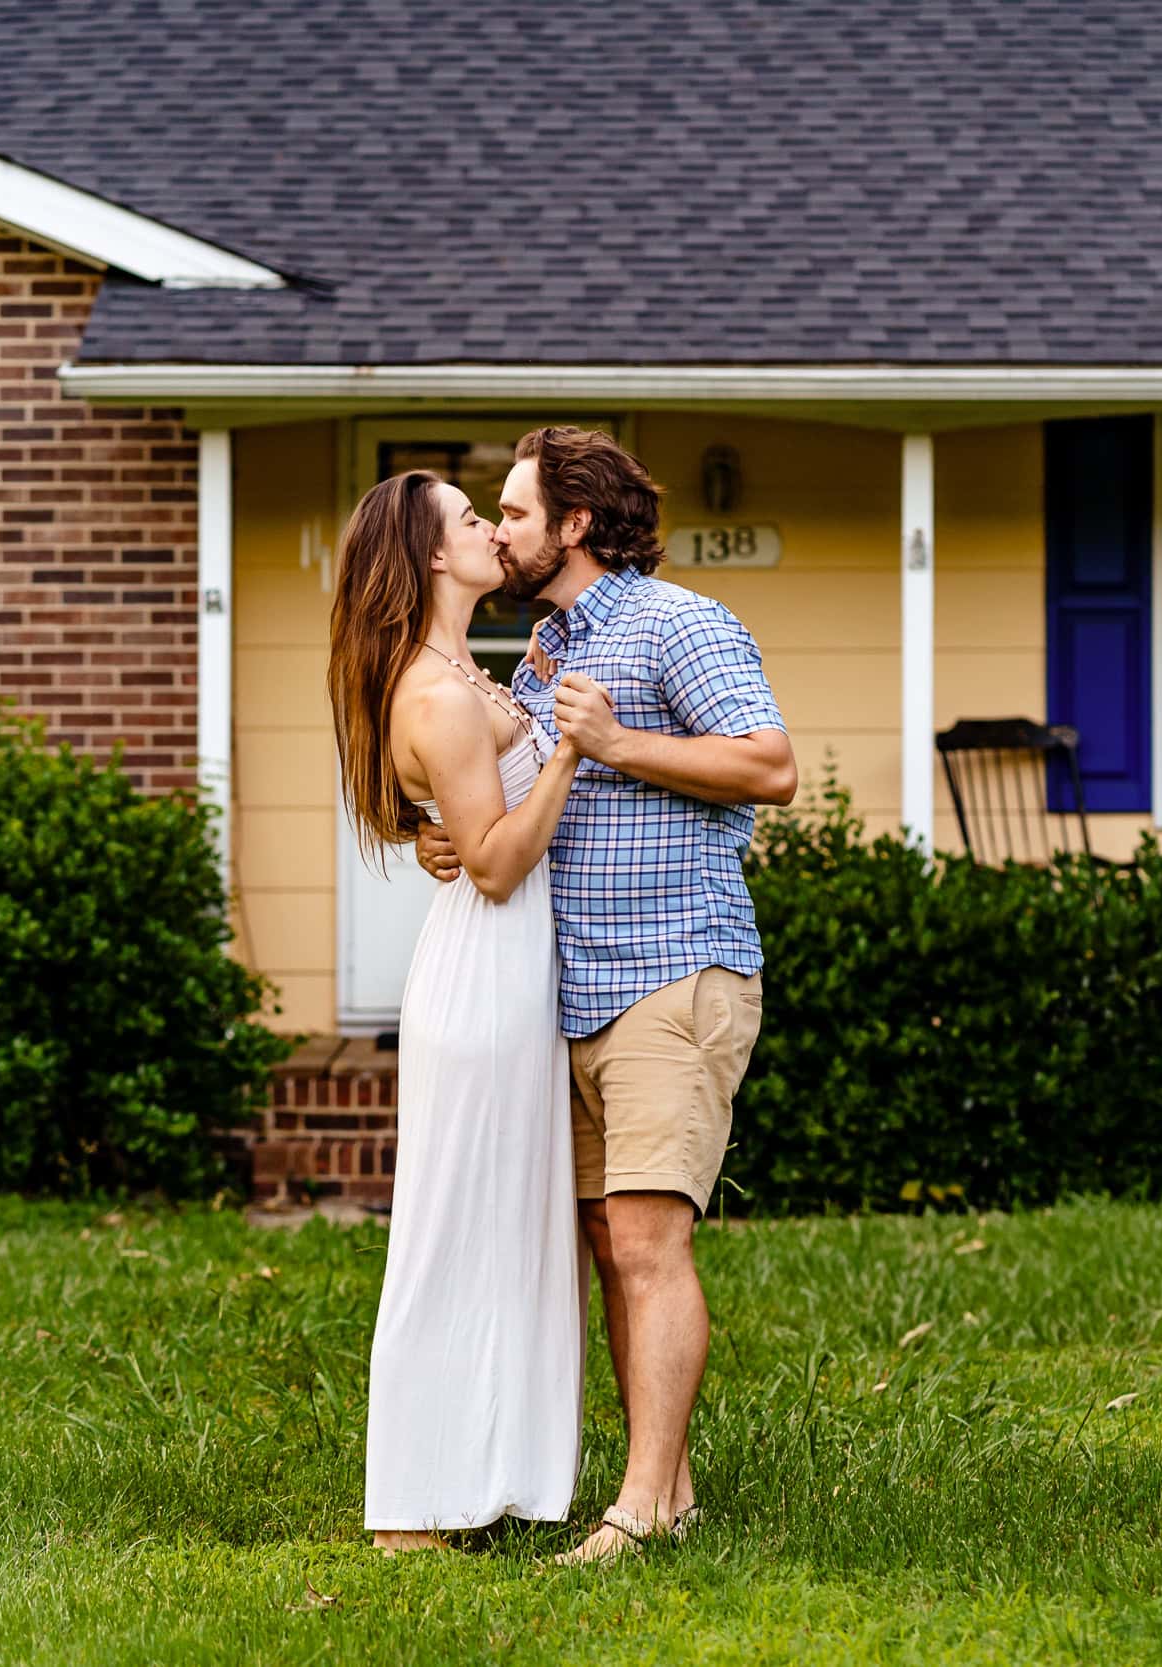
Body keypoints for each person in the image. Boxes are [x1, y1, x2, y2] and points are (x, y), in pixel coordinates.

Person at [417, 426, 797, 1563]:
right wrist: (448, 835)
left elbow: (770, 763)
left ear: (575, 523)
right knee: (602, 1239)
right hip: (570, 990)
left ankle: (634, 1513)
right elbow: (523, 790)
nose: (501, 529)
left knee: (645, 1240)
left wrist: (623, 741)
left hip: (673, 970)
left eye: (517, 512)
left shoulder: (677, 622)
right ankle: (663, 1487)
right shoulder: (541, 648)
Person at [327, 469, 585, 1552]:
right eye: (471, 520)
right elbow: (489, 861)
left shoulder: (454, 669)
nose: (489, 528)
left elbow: (441, 823)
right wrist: (576, 746)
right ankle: (413, 1508)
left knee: (503, 1229)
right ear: (433, 556)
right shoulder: (435, 692)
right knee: (454, 1231)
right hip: (483, 975)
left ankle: (481, 1477)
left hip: (508, 973)